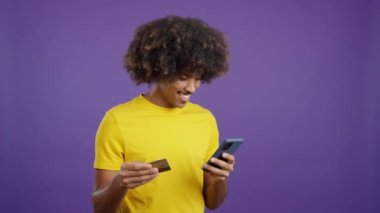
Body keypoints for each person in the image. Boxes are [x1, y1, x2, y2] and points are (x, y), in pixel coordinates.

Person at [92, 15, 236, 213]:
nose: (192, 88)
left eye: (198, 78)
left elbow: (212, 203)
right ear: (160, 69)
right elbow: (100, 209)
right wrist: (120, 183)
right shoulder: (117, 119)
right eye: (183, 77)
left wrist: (220, 179)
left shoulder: (205, 119)